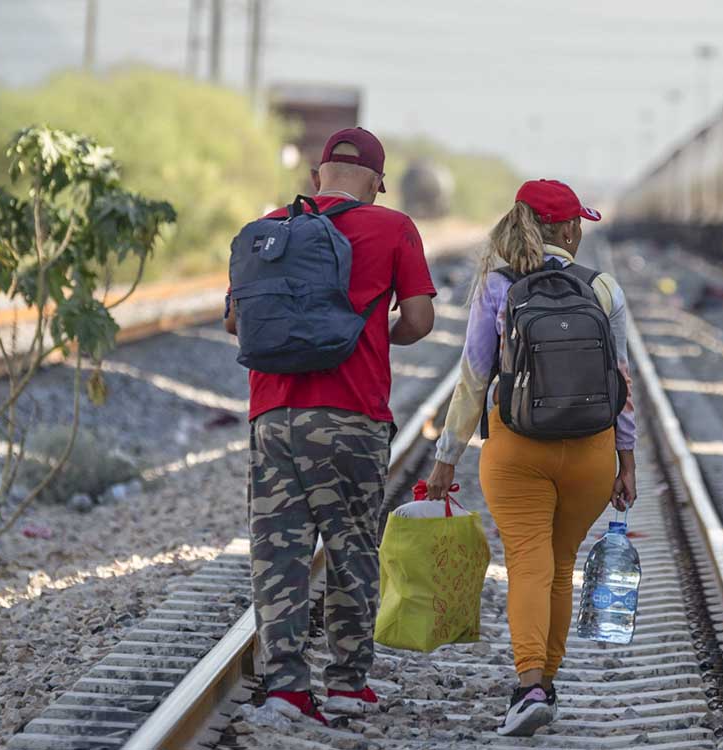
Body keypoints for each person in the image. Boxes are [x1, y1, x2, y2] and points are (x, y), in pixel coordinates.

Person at [224, 127, 437, 724]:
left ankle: (286, 688)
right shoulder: (393, 227)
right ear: (376, 181)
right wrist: (374, 336)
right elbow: (418, 319)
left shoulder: (270, 226)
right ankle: (346, 683)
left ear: (318, 177)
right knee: (351, 552)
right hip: (350, 417)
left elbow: (237, 323)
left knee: (279, 555)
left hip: (272, 414)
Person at [423, 179, 636, 737]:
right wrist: (627, 461)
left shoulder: (497, 286)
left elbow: (473, 380)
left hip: (517, 450)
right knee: (560, 567)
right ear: (568, 228)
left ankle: (531, 685)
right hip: (591, 454)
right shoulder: (603, 288)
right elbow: (624, 385)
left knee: (527, 563)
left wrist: (447, 457)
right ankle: (548, 682)